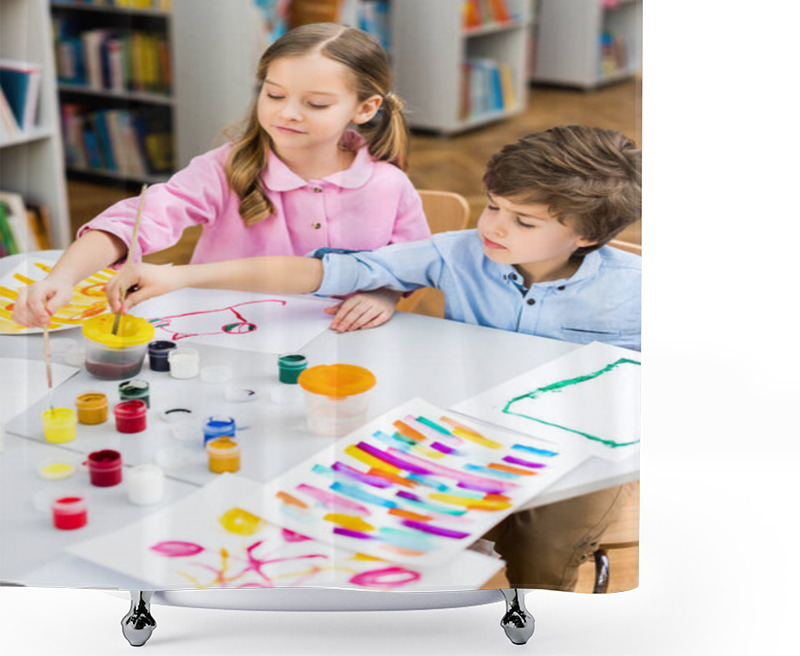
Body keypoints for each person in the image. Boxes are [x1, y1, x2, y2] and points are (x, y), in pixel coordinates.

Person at [100, 124, 641, 591]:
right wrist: (181, 275)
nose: (494, 227)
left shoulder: (638, 290)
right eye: (494, 207)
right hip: (467, 435)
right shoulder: (457, 253)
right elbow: (320, 272)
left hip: (580, 452)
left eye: (524, 222)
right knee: (370, 520)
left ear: (587, 236)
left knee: (542, 546)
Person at [12, 23, 431, 333]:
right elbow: (135, 220)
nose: (287, 112)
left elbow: (412, 265)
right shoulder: (225, 168)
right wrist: (62, 277)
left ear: (365, 108)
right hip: (220, 334)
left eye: (316, 103)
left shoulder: (388, 186)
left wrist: (384, 293)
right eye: (274, 94)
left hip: (337, 340)